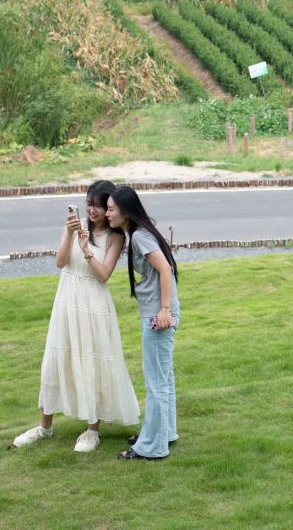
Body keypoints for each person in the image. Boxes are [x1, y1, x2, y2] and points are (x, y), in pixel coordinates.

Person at [12, 180, 140, 452]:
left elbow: (104, 275)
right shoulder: (75, 225)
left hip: (93, 302)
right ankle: (44, 426)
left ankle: (92, 430)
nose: (91, 210)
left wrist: (85, 249)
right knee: (55, 358)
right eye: (88, 204)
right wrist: (70, 235)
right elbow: (60, 262)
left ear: (109, 207)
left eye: (98, 206)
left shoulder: (116, 236)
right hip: (67, 299)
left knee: (93, 362)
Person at [106, 186, 181, 460]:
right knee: (164, 378)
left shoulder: (139, 237)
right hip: (158, 313)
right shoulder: (140, 233)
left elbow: (165, 269)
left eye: (111, 209)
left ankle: (152, 447)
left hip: (157, 317)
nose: (107, 214)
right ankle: (163, 434)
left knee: (156, 382)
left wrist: (164, 310)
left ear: (125, 212)